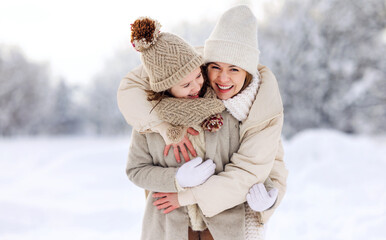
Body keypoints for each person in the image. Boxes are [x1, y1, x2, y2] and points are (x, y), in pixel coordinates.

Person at [119, 5, 288, 239]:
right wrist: (175, 179)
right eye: (214, 68)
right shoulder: (151, 117)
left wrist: (272, 195)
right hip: (169, 226)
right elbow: (136, 169)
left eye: (234, 69)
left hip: (222, 226)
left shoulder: (235, 113)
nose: (222, 78)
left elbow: (262, 166)